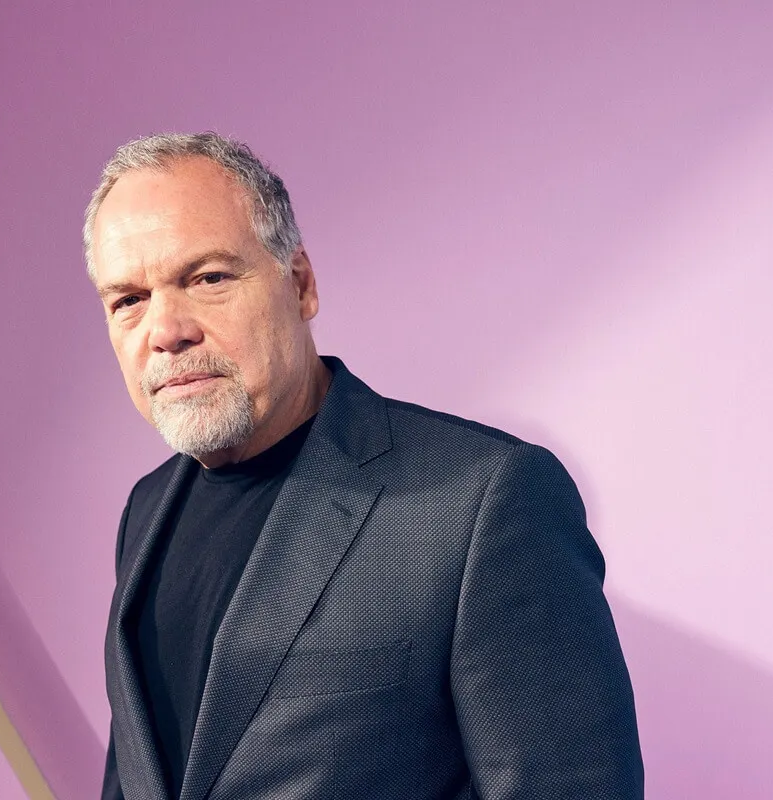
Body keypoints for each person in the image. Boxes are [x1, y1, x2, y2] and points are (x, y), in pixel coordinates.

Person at [83, 132, 643, 800]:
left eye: (207, 279)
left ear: (300, 284)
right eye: (128, 300)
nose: (166, 329)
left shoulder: (485, 499)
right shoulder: (145, 513)